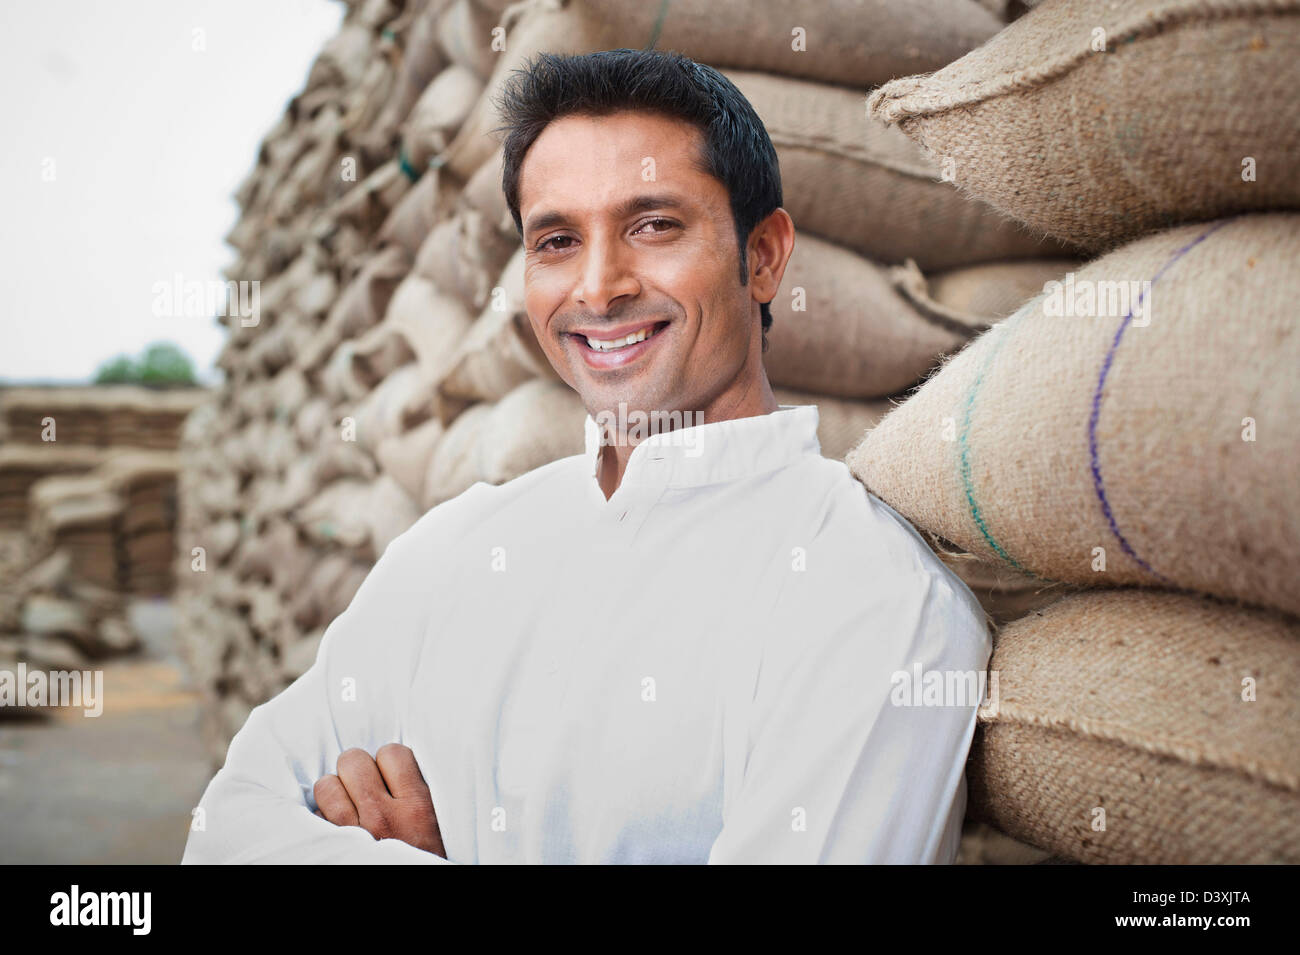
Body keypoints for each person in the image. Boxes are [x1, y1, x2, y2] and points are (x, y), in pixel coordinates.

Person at [182, 48, 991, 865]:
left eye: (653, 225)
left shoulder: (870, 596)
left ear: (764, 256)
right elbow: (228, 827)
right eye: (558, 240)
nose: (599, 287)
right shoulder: (454, 550)